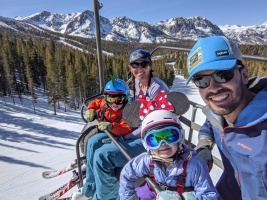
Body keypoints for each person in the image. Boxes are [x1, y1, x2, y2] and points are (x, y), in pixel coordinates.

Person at [72, 49, 170, 200]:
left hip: (150, 140)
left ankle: (106, 197)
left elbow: (157, 123)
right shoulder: (138, 82)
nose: (139, 69)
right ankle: (90, 188)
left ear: (150, 66)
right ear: (131, 67)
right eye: (135, 65)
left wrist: (127, 135)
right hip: (136, 132)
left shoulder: (157, 89)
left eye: (143, 64)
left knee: (103, 155)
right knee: (93, 142)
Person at [186, 35, 267, 200]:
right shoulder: (219, 113)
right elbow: (210, 123)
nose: (213, 88)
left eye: (222, 75)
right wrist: (204, 146)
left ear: (244, 75)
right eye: (202, 81)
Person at [119, 109, 219, 200]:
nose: (163, 144)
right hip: (152, 194)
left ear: (180, 138)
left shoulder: (194, 165)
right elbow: (127, 173)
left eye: (170, 136)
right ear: (146, 144)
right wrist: (128, 197)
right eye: (154, 140)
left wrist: (187, 198)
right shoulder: (147, 160)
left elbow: (209, 195)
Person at [80, 78, 132, 155]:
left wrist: (111, 127)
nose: (114, 104)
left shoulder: (127, 112)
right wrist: (90, 109)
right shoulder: (104, 104)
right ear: (106, 98)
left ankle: (87, 158)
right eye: (111, 99)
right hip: (100, 125)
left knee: (92, 141)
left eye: (119, 100)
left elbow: (126, 128)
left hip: (112, 132)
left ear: (126, 98)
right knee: (84, 136)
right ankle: (85, 156)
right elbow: (95, 102)